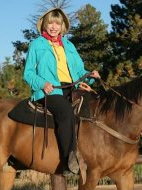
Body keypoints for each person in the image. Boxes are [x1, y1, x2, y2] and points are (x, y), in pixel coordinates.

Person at [23, 7, 100, 175]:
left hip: (72, 88)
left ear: (62, 26)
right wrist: (42, 83)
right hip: (49, 92)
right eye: (50, 22)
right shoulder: (37, 44)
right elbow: (28, 73)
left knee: (96, 106)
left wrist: (89, 75)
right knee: (65, 112)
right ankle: (68, 160)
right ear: (44, 24)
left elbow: (79, 71)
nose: (53, 26)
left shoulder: (69, 45)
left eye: (57, 23)